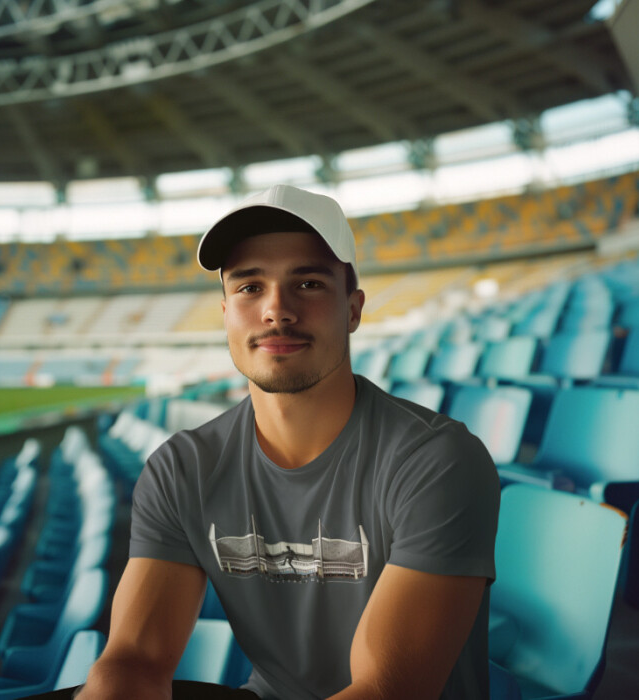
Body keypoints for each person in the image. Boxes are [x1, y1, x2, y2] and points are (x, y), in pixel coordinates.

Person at [73, 184, 500, 699]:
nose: (277, 310)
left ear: (354, 309)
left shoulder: (437, 461)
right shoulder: (181, 468)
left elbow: (388, 688)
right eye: (250, 287)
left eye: (310, 284)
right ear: (225, 312)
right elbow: (135, 660)